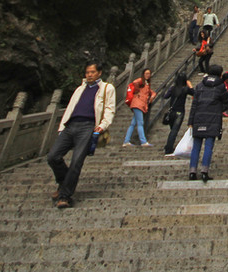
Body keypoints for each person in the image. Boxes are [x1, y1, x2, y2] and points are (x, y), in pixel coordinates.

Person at [47, 60, 115, 209]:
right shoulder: (80, 88)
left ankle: (65, 196)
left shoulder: (106, 88)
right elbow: (70, 108)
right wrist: (61, 127)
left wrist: (102, 126)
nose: (89, 75)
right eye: (87, 72)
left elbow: (110, 109)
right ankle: (64, 182)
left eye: (92, 72)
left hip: (88, 126)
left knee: (76, 161)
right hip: (70, 125)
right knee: (53, 156)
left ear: (99, 73)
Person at [187, 63, 228, 182]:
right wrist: (220, 109)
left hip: (198, 117)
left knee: (196, 146)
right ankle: (204, 171)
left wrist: (190, 121)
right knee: (208, 146)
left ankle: (192, 171)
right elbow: (227, 101)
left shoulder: (200, 85)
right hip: (213, 118)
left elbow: (194, 104)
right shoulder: (220, 86)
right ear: (220, 74)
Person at [162, 72, 194, 156]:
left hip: (172, 112)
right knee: (174, 131)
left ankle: (168, 146)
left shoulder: (172, 88)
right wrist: (190, 85)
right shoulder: (185, 89)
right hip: (180, 112)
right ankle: (168, 148)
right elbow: (195, 93)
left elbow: (165, 96)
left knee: (172, 130)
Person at [123, 68, 157, 147]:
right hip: (138, 104)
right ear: (143, 74)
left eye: (149, 74)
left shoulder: (146, 84)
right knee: (140, 123)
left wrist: (152, 97)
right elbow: (135, 82)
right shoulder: (141, 81)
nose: (148, 75)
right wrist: (137, 89)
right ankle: (143, 141)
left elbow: (152, 92)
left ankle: (126, 141)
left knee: (133, 123)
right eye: (146, 73)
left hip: (139, 105)